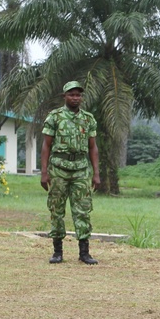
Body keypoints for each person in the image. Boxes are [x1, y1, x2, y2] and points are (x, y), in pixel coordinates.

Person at [39, 81, 101, 264]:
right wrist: (44, 172)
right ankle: (57, 251)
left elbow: (93, 147)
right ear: (64, 96)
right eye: (71, 94)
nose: (75, 98)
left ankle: (84, 253)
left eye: (78, 95)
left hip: (81, 169)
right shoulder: (55, 117)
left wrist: (96, 173)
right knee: (56, 209)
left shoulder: (88, 119)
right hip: (58, 169)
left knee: (82, 210)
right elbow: (46, 145)